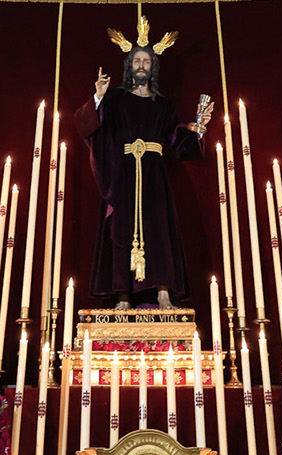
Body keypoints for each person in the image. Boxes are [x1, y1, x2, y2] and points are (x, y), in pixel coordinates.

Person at [75, 19, 212, 309]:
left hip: (154, 176)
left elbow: (177, 138)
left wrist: (198, 128)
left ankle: (163, 293)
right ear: (129, 66)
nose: (141, 65)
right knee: (121, 229)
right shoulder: (115, 98)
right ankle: (123, 295)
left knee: (158, 229)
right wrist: (98, 96)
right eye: (136, 61)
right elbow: (90, 127)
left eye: (146, 61)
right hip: (122, 174)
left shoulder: (162, 105)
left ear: (153, 67)